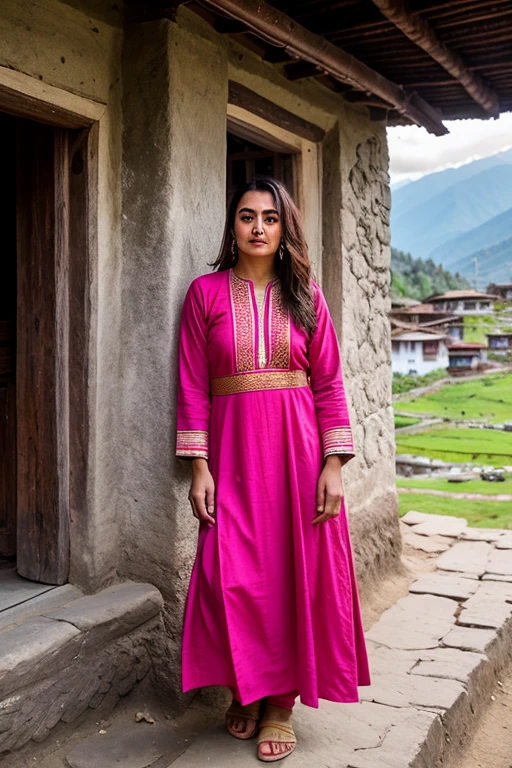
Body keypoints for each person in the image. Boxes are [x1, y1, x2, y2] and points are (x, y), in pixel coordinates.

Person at [175, 175, 371, 762]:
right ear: (232, 228)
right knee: (228, 574)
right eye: (246, 216)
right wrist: (198, 467)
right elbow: (190, 384)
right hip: (232, 456)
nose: (258, 227)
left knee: (293, 575)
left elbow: (330, 384)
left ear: (285, 230)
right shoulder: (204, 295)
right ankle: (246, 685)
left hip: (298, 455)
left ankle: (279, 702)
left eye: (269, 217)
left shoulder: (306, 297)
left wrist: (333, 465)